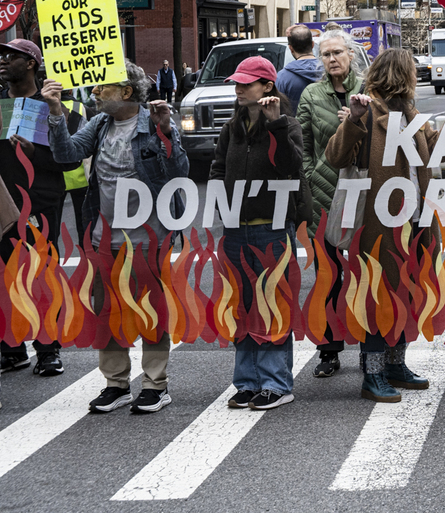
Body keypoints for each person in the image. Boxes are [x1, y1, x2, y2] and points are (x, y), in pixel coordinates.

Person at [44, 61, 189, 414]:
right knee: (108, 310)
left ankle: (155, 385)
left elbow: (179, 172)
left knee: (150, 310)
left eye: (102, 86)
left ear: (126, 91)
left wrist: (166, 132)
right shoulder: (100, 123)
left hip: (149, 238)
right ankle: (116, 384)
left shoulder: (153, 122)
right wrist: (55, 112)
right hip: (104, 237)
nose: (94, 92)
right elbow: (66, 155)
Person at [325, 48, 436, 402]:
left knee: (405, 292)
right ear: (401, 75)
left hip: (413, 220)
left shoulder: (412, 114)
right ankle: (373, 374)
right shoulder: (368, 111)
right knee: (377, 295)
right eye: (411, 71)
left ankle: (395, 365)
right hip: (378, 225)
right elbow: (335, 156)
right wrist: (353, 121)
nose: (414, 77)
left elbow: (430, 155)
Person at [211, 57, 305, 410]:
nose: (239, 89)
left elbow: (291, 167)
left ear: (267, 86)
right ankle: (248, 382)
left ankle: (276, 384)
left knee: (272, 304)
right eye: (237, 83)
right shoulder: (231, 127)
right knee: (242, 305)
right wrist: (223, 204)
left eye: (246, 83)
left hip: (273, 228)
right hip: (237, 228)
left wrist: (276, 124)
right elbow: (218, 167)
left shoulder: (287, 124)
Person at [0, 39, 83, 376]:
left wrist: (35, 154)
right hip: (3, 206)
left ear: (32, 63)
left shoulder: (53, 106)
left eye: (11, 56)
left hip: (40, 202)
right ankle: (11, 348)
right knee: (5, 278)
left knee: (42, 277)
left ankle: (48, 350)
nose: (3, 61)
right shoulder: (0, 104)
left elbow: (70, 160)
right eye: (2, 56)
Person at [297, 28, 363, 378]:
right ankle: (329, 350)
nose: (333, 59)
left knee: (365, 274)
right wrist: (311, 178)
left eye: (338, 52)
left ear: (351, 54)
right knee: (329, 276)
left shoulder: (367, 89)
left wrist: (356, 122)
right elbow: (303, 144)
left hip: (362, 194)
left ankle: (371, 348)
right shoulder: (311, 94)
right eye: (326, 54)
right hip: (323, 196)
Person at [276, 25, 324, 112]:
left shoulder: (282, 77)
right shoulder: (329, 71)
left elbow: (278, 108)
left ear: (291, 48)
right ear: (312, 44)